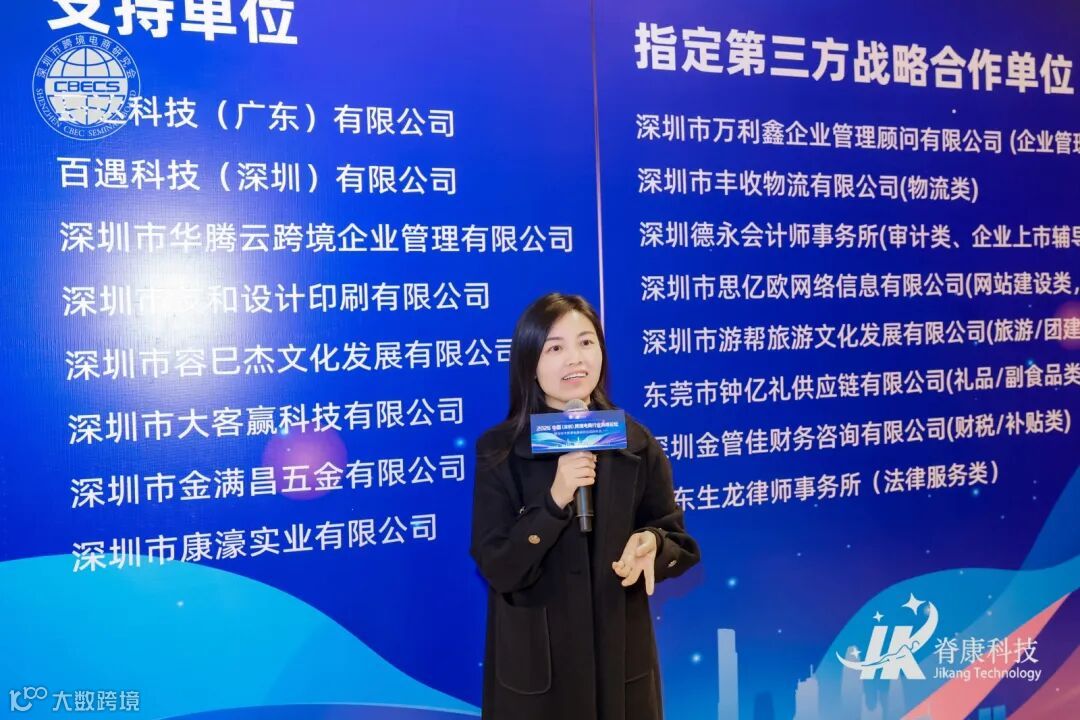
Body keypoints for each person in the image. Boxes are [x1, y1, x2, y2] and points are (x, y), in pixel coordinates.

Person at [470, 292, 701, 720]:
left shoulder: (635, 442)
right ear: (530, 363)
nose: (575, 359)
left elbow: (678, 540)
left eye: (586, 342)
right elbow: (498, 566)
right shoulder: (499, 452)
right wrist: (554, 500)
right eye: (555, 348)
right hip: (539, 680)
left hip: (621, 670)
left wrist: (652, 543)